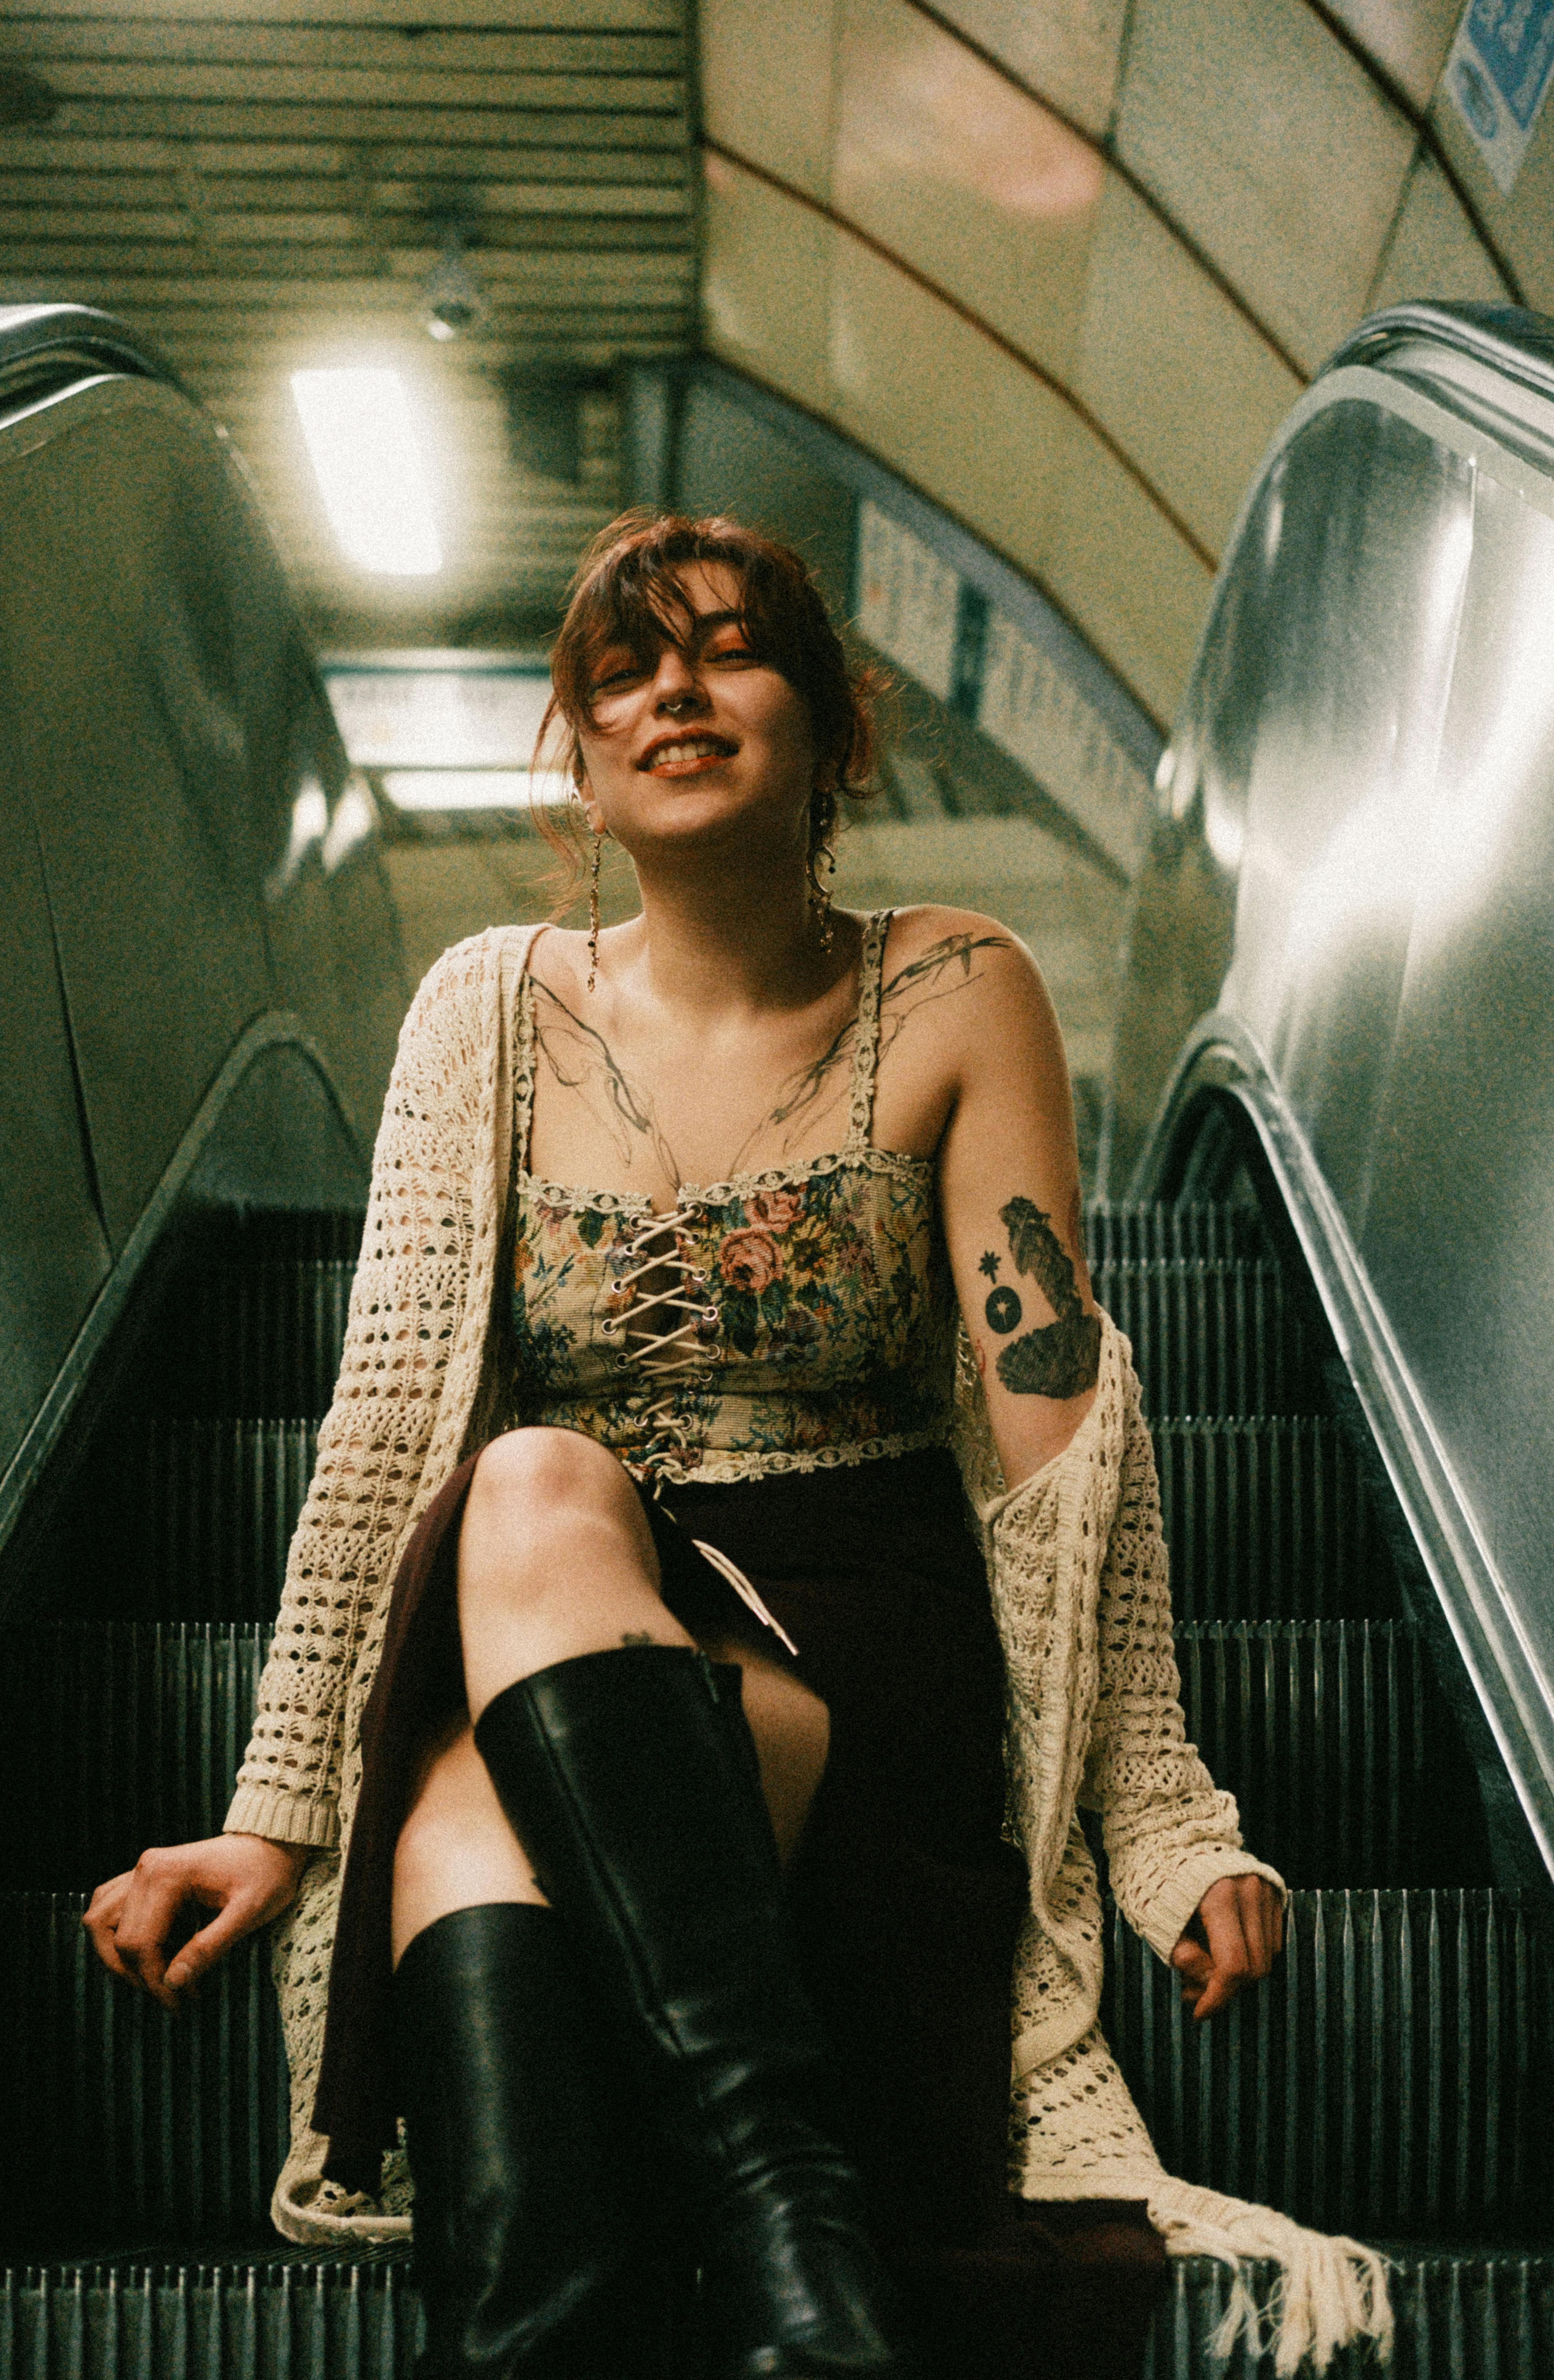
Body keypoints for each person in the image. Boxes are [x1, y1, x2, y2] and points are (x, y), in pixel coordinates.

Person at [85, 514, 1383, 2380]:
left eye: (727, 647)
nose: (673, 688)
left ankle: (708, 2263)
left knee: (495, 1682)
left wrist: (1160, 1810)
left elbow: (1058, 1438)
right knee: (511, 1565)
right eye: (623, 667)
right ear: (587, 764)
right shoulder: (485, 1008)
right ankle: (779, 2268)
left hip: (852, 1632)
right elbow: (382, 1431)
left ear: (833, 732)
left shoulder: (955, 986)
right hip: (556, 1625)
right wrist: (280, 1815)